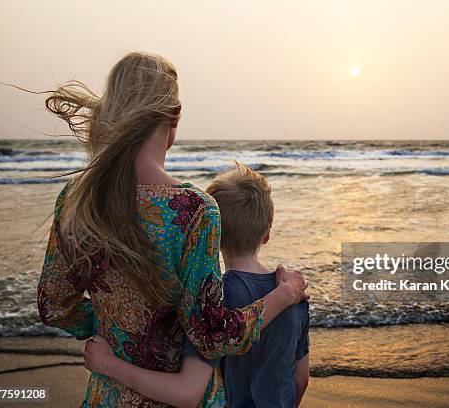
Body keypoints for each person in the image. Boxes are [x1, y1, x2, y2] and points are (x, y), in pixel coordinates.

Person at [37, 51, 308, 407]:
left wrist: (116, 327)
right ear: (174, 115)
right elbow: (210, 336)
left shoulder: (75, 198)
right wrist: (283, 296)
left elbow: (53, 307)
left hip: (108, 395)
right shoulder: (194, 210)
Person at [85, 163, 310, 408]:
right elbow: (301, 380)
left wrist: (108, 363)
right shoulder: (295, 297)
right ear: (266, 235)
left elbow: (188, 390)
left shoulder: (212, 300)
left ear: (213, 234)